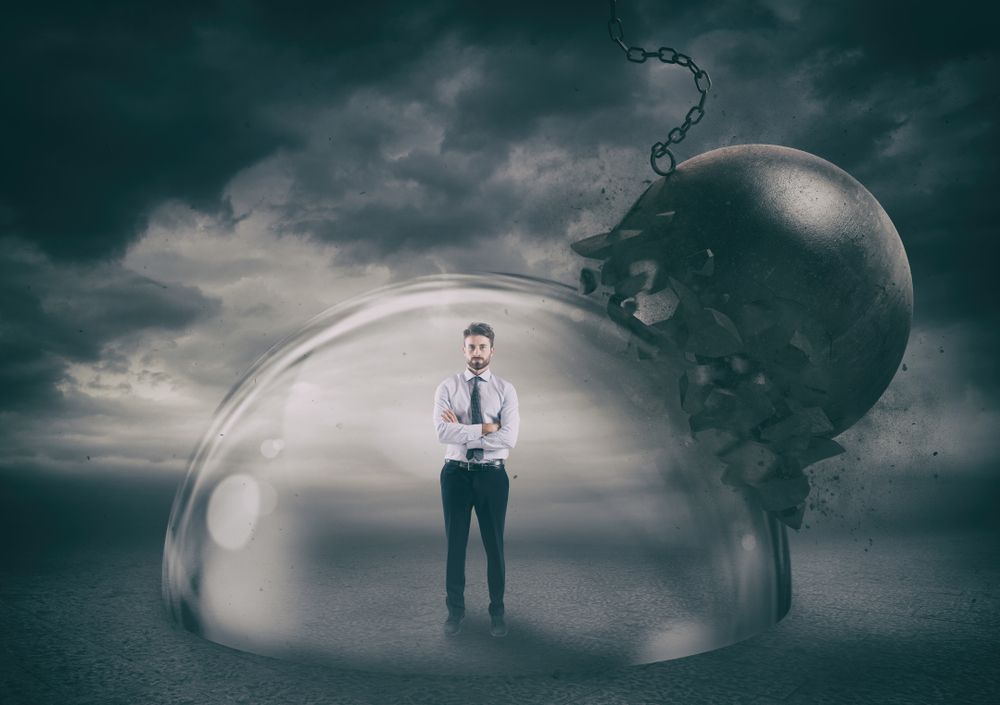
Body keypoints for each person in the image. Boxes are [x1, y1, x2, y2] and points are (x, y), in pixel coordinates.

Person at [433, 322, 519, 637]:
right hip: (455, 476)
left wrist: (465, 433)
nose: (477, 352)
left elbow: (509, 438)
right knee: (455, 547)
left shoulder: (505, 390)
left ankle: (498, 615)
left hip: (493, 477)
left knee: (494, 548)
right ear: (464, 349)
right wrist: (486, 428)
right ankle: (454, 615)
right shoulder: (446, 388)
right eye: (471, 346)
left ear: (491, 350)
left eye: (482, 346)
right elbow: (443, 432)